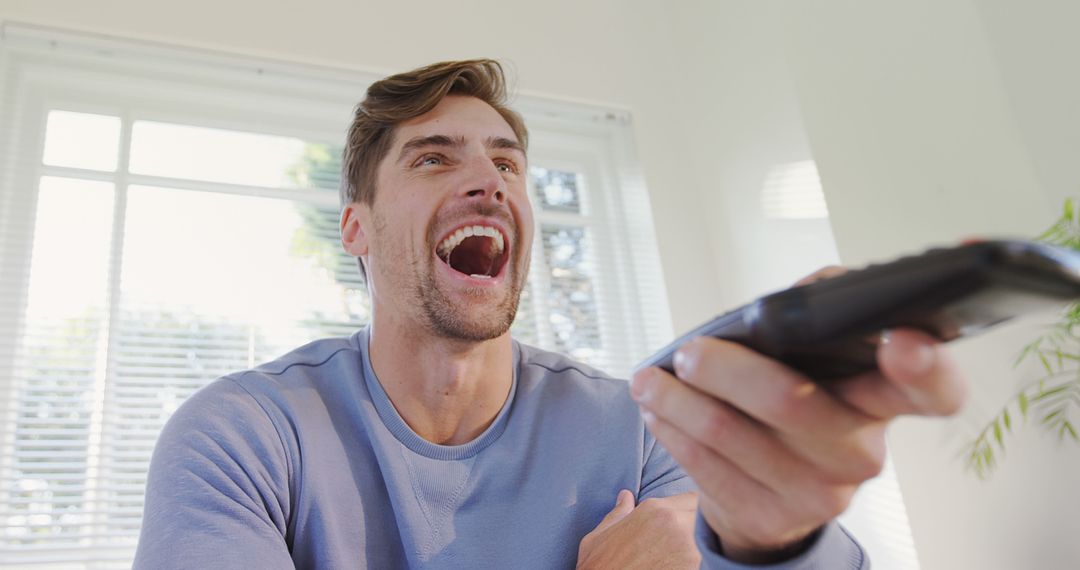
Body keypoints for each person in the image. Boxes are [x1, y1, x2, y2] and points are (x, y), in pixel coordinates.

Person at [133, 59, 967, 569]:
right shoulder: (241, 436)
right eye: (434, 157)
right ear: (356, 225)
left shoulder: (641, 430)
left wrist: (771, 541)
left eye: (508, 163)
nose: (489, 180)